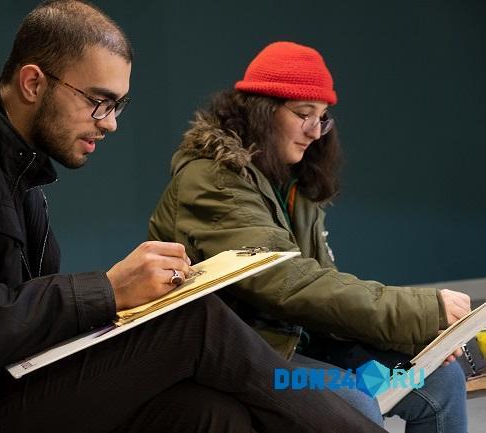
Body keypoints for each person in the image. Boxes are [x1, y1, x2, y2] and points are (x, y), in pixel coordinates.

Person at [0, 3, 392, 433]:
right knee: (194, 322)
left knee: (209, 414)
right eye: (98, 101)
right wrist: (106, 291)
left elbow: (19, 321)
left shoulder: (20, 171)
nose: (110, 123)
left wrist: (124, 305)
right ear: (33, 83)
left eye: (118, 106)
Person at [148, 41, 471, 432]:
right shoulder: (213, 180)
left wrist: (420, 338)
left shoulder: (290, 179)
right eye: (304, 114)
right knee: (353, 402)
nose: (315, 132)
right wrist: (423, 312)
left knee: (438, 379)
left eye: (322, 118)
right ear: (260, 110)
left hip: (304, 342)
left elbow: (321, 291)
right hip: (245, 353)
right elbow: (292, 285)